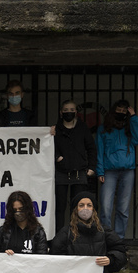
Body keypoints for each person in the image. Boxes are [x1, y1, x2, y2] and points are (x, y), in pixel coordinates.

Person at [96, 99, 138, 238]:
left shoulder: (129, 128)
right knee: (106, 207)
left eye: (124, 111)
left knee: (123, 208)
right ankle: (106, 238)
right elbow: (99, 151)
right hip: (109, 171)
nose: (121, 113)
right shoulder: (104, 129)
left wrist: (134, 117)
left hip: (127, 171)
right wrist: (99, 171)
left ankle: (119, 239)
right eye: (119, 110)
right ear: (113, 111)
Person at [53, 99, 97, 232]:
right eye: (66, 110)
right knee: (60, 207)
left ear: (76, 112)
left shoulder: (82, 128)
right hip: (61, 172)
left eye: (72, 110)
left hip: (79, 172)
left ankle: (77, 233)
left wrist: (91, 167)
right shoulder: (56, 129)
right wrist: (57, 157)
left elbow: (91, 148)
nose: (69, 113)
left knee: (79, 206)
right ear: (61, 112)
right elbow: (48, 146)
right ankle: (59, 234)